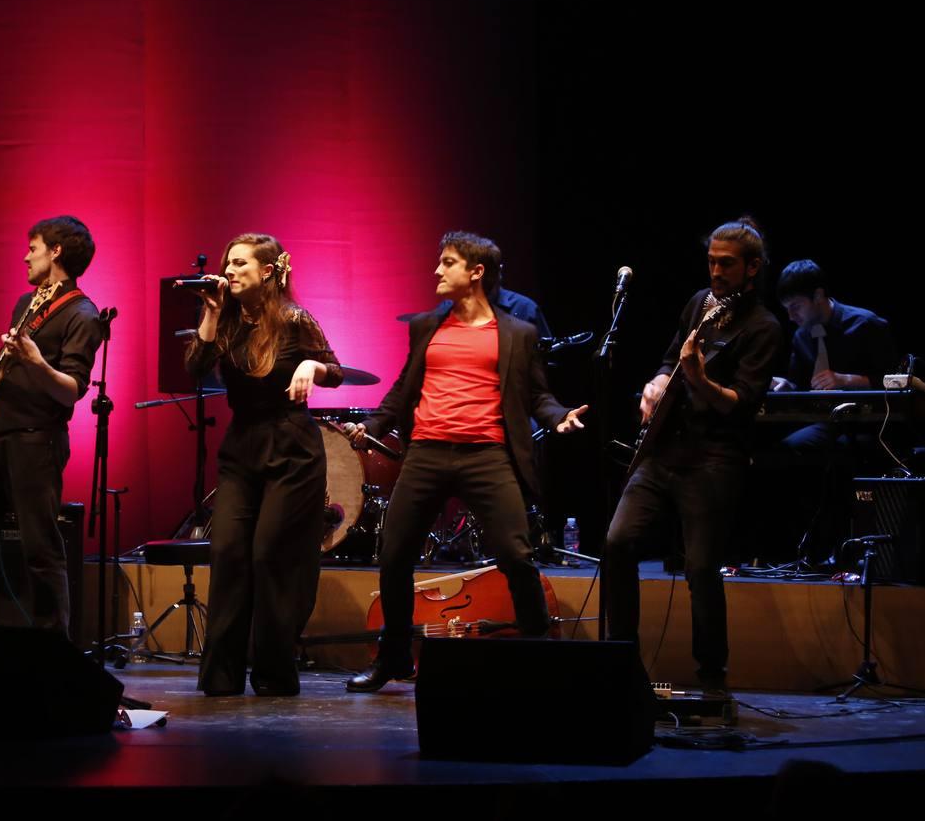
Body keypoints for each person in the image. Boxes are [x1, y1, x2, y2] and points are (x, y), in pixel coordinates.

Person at [344, 231, 588, 692]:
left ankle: (541, 653)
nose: (438, 270)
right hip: (428, 452)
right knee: (394, 554)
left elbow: (537, 394)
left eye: (448, 262)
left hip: (486, 455)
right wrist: (373, 427)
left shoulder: (517, 332)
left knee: (516, 556)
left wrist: (558, 418)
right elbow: (402, 387)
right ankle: (395, 657)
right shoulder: (427, 327)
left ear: (476, 272)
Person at [603, 218, 783, 696]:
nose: (716, 272)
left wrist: (699, 379)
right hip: (664, 450)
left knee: (701, 568)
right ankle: (620, 659)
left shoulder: (763, 327)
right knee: (618, 543)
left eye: (727, 264)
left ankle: (711, 676)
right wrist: (658, 381)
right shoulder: (697, 304)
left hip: (714, 456)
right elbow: (669, 359)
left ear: (752, 268)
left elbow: (741, 403)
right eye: (711, 262)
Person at [185, 233, 343, 696]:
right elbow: (195, 368)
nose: (228, 271)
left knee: (269, 556)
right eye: (227, 263)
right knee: (229, 553)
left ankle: (273, 673)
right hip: (243, 446)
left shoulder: (294, 318)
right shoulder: (226, 319)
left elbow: (335, 368)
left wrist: (311, 368)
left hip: (291, 447)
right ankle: (221, 677)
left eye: (239, 264)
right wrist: (211, 313)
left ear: (268, 272)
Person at [0, 215, 101, 636]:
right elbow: (7, 361)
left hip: (36, 440)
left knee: (40, 548)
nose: (25, 256)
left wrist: (37, 360)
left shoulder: (83, 314)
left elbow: (72, 390)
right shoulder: (26, 302)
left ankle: (51, 649)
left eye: (32, 249)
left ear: (55, 252)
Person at [772, 259, 897, 452]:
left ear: (818, 295)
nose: (790, 316)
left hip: (869, 423)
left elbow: (896, 383)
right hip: (825, 421)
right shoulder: (802, 336)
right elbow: (801, 384)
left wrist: (845, 379)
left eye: (795, 306)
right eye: (787, 308)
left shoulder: (865, 324)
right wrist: (787, 385)